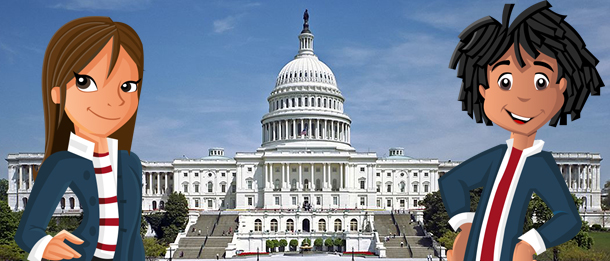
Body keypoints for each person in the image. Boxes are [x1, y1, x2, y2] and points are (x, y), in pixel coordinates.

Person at [442, 2, 603, 261]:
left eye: (540, 82)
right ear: (484, 91)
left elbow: (569, 218)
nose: (523, 98)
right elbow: (452, 181)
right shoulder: (496, 157)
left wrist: (530, 244)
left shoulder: (540, 164)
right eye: (505, 82)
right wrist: (465, 225)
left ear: (561, 89)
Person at [14, 17, 145, 261]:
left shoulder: (130, 162)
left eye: (126, 86)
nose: (112, 101)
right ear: (57, 93)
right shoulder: (63, 162)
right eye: (86, 82)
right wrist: (45, 245)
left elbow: (133, 234)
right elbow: (27, 231)